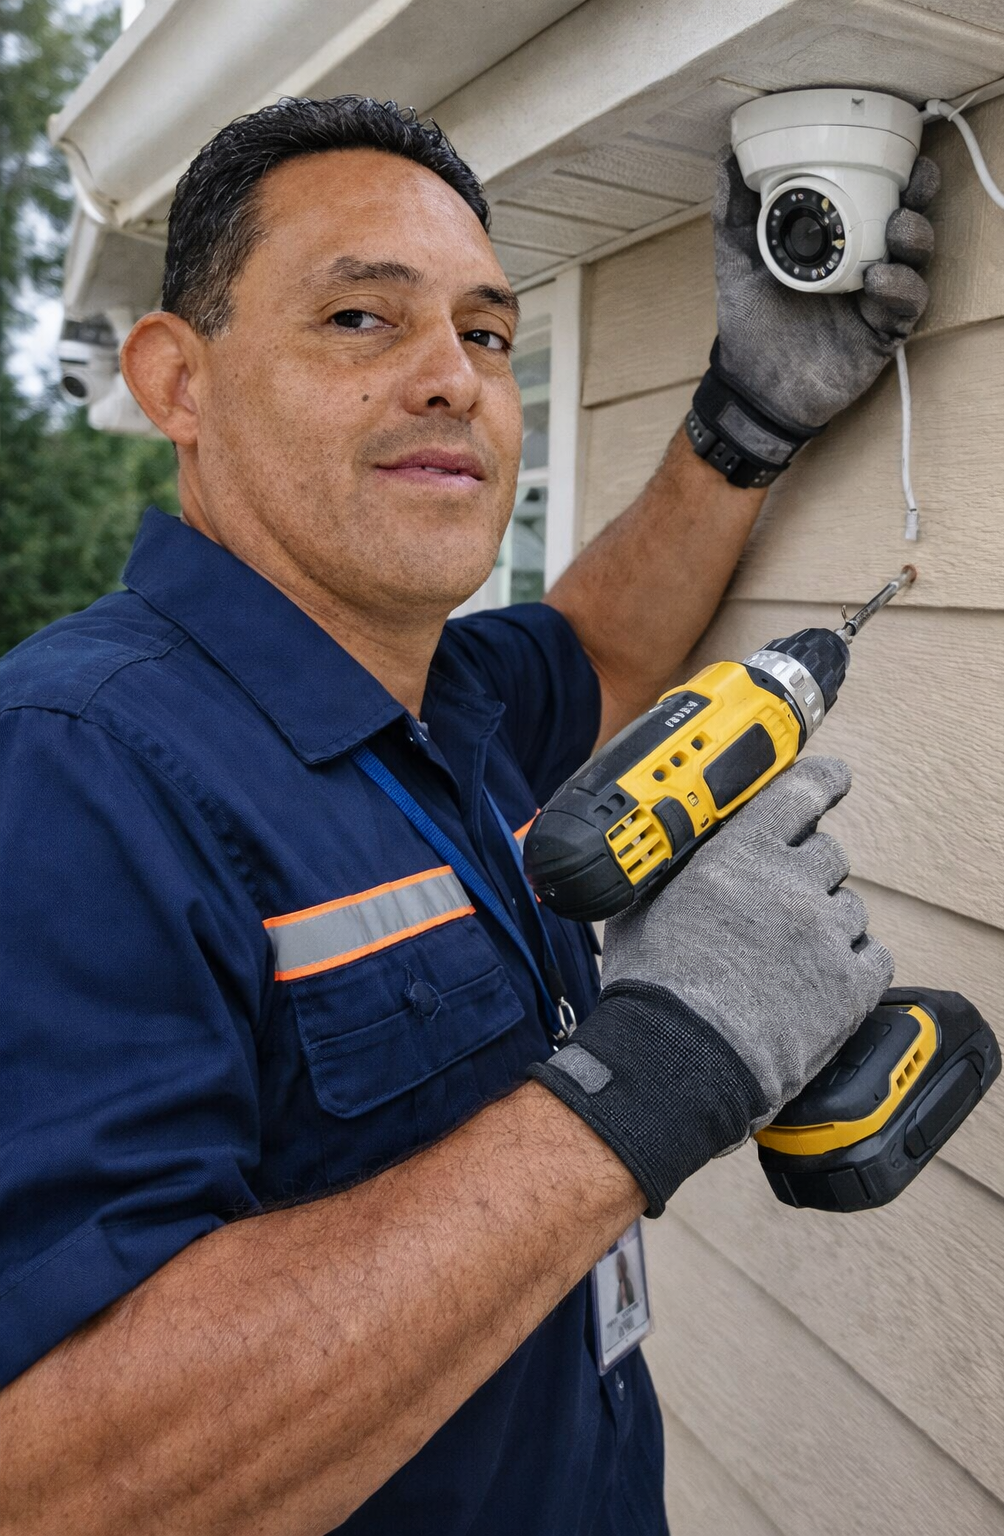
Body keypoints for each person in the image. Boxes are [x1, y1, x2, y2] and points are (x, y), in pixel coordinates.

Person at [0, 96, 937, 1535]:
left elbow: (607, 646)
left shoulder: (453, 698)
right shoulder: (72, 770)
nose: (454, 378)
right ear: (179, 382)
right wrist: (666, 1063)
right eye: (363, 321)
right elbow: (61, 1481)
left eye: (491, 335)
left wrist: (743, 423)